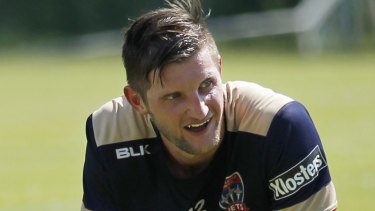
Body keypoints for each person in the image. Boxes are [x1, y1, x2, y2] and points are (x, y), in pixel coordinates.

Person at [81, 0, 337, 210]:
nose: (200, 109)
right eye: (174, 96)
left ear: (220, 68)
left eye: (206, 85)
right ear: (138, 101)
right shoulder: (111, 134)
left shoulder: (278, 125)